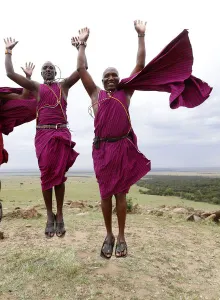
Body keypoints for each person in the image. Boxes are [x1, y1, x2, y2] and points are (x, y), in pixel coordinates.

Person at [76, 21, 150, 258]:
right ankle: (108, 235)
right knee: (105, 194)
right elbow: (81, 71)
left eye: (114, 75)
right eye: (107, 75)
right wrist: (82, 45)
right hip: (102, 151)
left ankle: (121, 236)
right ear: (102, 79)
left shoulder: (125, 93)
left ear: (119, 79)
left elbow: (140, 65)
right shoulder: (95, 95)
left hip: (121, 149)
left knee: (121, 195)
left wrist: (141, 36)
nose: (111, 78)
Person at [4, 37, 81, 238]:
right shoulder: (38, 88)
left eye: (50, 68)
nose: (47, 70)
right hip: (43, 134)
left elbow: (82, 69)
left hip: (62, 132)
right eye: (44, 68)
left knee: (60, 175)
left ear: (55, 72)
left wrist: (80, 47)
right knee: (47, 174)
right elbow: (10, 73)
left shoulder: (63, 87)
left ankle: (61, 215)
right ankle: (49, 215)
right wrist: (8, 52)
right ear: (41, 73)